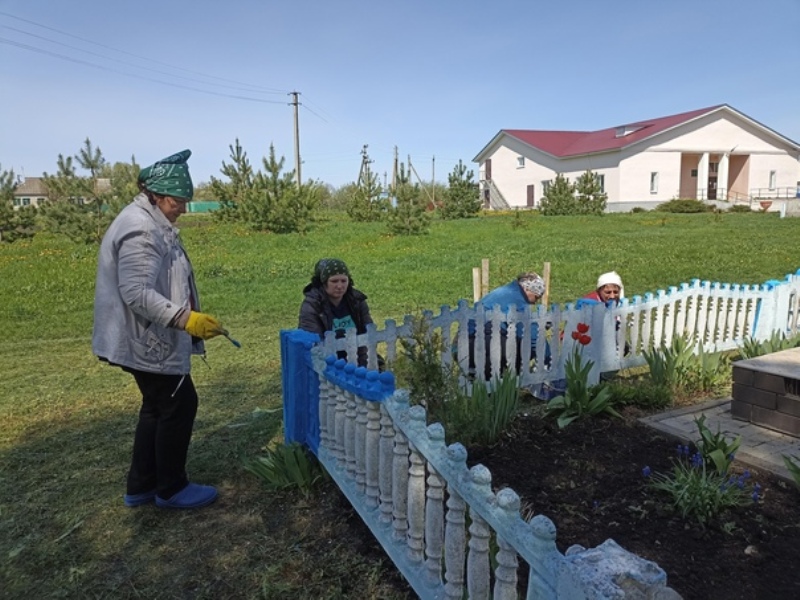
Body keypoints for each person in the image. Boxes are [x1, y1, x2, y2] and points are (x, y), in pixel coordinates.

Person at [92, 149, 224, 510]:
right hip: (146, 338)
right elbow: (135, 291)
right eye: (179, 202)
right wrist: (186, 319)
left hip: (142, 335)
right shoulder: (142, 228)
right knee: (179, 404)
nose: (183, 208)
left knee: (157, 406)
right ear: (159, 196)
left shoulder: (150, 219)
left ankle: (142, 486)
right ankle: (171, 488)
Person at [470, 272, 548, 379]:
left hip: (466, 342)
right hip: (479, 346)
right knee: (522, 347)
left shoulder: (505, 292)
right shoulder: (518, 301)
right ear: (527, 290)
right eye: (536, 297)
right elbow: (532, 335)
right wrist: (548, 358)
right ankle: (503, 382)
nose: (535, 302)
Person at [298, 258, 375, 367]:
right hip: (327, 362)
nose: (339, 286)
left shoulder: (356, 301)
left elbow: (366, 334)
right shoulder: (312, 305)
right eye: (334, 281)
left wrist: (363, 364)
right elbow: (314, 343)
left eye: (344, 281)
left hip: (356, 357)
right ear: (324, 283)